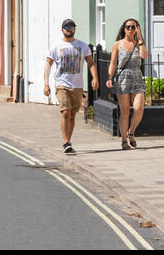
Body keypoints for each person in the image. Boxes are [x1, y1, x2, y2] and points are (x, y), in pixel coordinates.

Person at [43, 19, 98, 155]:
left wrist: (95, 78)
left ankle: (69, 141)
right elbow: (48, 64)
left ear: (74, 29)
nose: (69, 29)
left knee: (73, 115)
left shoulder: (82, 46)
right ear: (62, 30)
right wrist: (46, 83)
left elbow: (91, 63)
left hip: (78, 86)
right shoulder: (56, 46)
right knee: (65, 112)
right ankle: (65, 142)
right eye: (66, 27)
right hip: (62, 84)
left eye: (71, 26)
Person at [106, 18, 148, 150]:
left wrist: (140, 38)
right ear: (124, 29)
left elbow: (144, 56)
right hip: (122, 78)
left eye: (133, 27)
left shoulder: (139, 43)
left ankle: (131, 132)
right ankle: (124, 140)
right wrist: (110, 77)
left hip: (137, 77)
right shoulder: (117, 44)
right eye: (128, 27)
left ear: (137, 29)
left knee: (138, 109)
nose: (130, 29)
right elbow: (113, 62)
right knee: (124, 111)